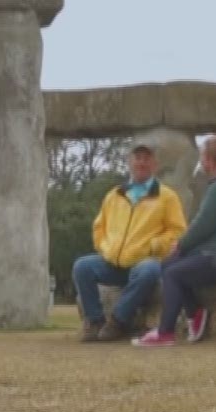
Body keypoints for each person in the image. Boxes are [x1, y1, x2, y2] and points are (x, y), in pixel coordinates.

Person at [133, 135, 216, 347]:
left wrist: (180, 245)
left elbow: (203, 225)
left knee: (173, 273)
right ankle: (196, 313)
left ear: (210, 161)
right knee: (169, 265)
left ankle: (165, 333)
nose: (201, 162)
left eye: (203, 157)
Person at [72, 142, 188, 342]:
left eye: (147, 158)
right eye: (137, 158)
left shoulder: (167, 197)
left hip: (142, 262)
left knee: (149, 270)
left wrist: (154, 246)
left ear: (155, 164)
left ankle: (118, 321)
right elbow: (99, 227)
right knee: (82, 266)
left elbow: (177, 231)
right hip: (112, 261)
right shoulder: (114, 195)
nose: (141, 163)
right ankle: (95, 322)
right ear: (129, 162)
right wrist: (104, 247)